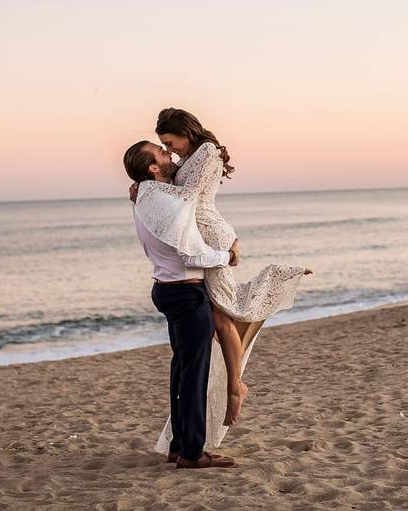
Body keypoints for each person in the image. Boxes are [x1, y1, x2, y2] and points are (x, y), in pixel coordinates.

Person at [131, 108, 311, 455]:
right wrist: (146, 187)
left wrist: (147, 188)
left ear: (185, 132)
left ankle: (234, 386)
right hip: (202, 244)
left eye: (170, 143)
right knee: (219, 320)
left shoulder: (207, 153)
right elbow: (176, 195)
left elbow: (187, 199)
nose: (171, 151)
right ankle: (224, 399)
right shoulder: (185, 162)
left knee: (225, 314)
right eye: (164, 148)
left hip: (211, 240)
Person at [123, 140, 237, 469]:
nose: (170, 154)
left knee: (182, 372)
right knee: (193, 376)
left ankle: (178, 446)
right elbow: (191, 252)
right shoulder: (164, 202)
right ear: (153, 169)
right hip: (185, 293)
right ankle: (191, 453)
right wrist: (226, 257)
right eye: (162, 153)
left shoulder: (148, 195)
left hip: (169, 290)